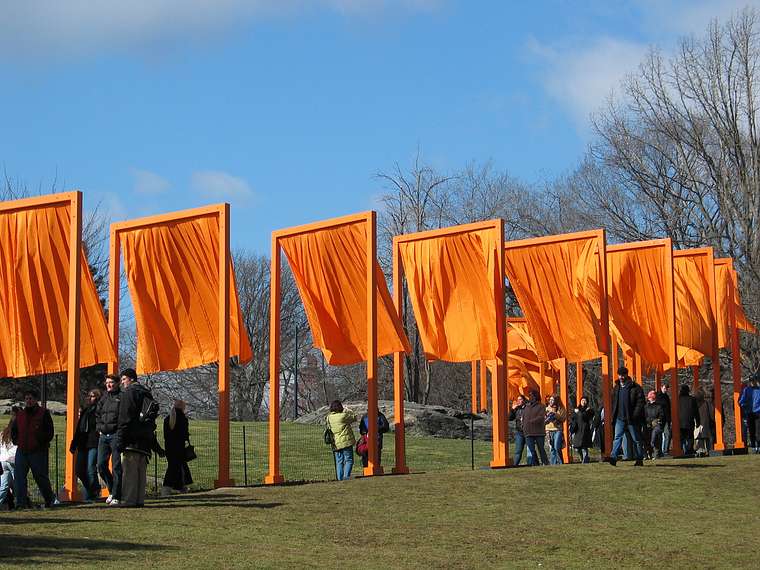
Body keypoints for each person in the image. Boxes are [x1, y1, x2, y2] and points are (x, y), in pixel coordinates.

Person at [116, 368, 158, 507]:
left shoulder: (129, 393)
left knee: (129, 472)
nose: (122, 383)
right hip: (144, 439)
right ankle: (139, 499)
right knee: (141, 472)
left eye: (123, 379)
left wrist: (120, 439)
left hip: (131, 439)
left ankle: (128, 500)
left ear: (131, 379)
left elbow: (124, 417)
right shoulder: (147, 393)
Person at [11, 389, 58, 508]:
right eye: (26, 398)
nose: (28, 401)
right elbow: (14, 430)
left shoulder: (43, 413)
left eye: (31, 398)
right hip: (22, 450)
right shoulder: (20, 414)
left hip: (38, 451)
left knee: (40, 476)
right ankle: (20, 503)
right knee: (19, 477)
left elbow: (50, 432)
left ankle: (49, 499)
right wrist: (17, 441)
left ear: (36, 400)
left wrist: (40, 442)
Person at [607, 367, 645, 467]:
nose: (621, 377)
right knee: (617, 438)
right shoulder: (616, 388)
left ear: (627, 375)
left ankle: (639, 458)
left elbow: (640, 403)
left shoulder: (635, 387)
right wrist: (614, 415)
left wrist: (635, 415)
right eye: (620, 375)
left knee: (636, 439)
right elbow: (614, 402)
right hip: (620, 418)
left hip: (631, 418)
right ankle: (613, 457)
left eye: (623, 375)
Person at [69, 389, 102, 502]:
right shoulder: (85, 411)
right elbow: (79, 429)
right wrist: (74, 444)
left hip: (93, 442)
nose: (89, 398)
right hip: (83, 443)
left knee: (91, 468)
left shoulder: (99, 410)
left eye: (92, 396)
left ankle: (93, 493)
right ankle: (91, 489)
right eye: (89, 396)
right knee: (79, 470)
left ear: (97, 397)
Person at [96, 374, 123, 506]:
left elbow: (124, 416)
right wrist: (99, 428)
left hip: (115, 435)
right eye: (107, 382)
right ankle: (112, 489)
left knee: (117, 466)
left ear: (117, 383)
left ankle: (117, 495)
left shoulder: (121, 397)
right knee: (101, 465)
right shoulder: (104, 397)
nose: (109, 385)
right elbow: (98, 414)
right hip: (103, 436)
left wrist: (119, 432)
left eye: (111, 382)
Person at [162, 400, 193, 495]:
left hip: (169, 448)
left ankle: (178, 487)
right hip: (179, 448)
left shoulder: (167, 419)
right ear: (182, 407)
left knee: (174, 467)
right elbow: (184, 434)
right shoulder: (183, 419)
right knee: (178, 467)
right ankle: (171, 488)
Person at [325, 400, 357, 481]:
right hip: (345, 442)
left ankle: (339, 478)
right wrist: (348, 409)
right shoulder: (344, 416)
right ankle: (346, 477)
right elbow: (354, 417)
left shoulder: (329, 417)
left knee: (339, 462)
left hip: (335, 443)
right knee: (349, 460)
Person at [522, 390, 549, 466]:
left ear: (536, 396)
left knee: (541, 449)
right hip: (528, 432)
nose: (530, 397)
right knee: (531, 449)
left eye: (532, 395)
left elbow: (541, 417)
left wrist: (532, 421)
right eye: (529, 395)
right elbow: (523, 417)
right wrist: (523, 425)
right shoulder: (526, 407)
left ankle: (545, 463)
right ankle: (535, 464)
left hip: (539, 432)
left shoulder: (542, 406)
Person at [0, 409, 18, 510]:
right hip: (13, 459)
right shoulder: (17, 432)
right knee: (18, 483)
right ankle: (20, 502)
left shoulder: (3, 433)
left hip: (3, 460)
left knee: (4, 485)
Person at [569, 396, 594, 463]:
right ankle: (583, 458)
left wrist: (578, 412)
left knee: (584, 447)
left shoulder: (589, 410)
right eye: (582, 400)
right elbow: (572, 418)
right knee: (577, 448)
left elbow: (584, 417)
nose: (583, 401)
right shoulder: (576, 409)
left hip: (585, 430)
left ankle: (585, 461)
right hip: (577, 430)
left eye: (585, 400)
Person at [678, 384, 700, 456]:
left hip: (680, 421)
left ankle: (680, 449)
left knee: (681, 437)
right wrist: (698, 421)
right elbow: (696, 411)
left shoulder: (677, 399)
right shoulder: (692, 399)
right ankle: (689, 450)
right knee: (690, 437)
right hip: (689, 420)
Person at [544, 395, 567, 465]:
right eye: (550, 400)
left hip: (558, 430)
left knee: (557, 447)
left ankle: (560, 462)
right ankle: (553, 464)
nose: (550, 401)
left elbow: (563, 418)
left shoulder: (561, 409)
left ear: (556, 401)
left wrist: (555, 414)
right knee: (552, 448)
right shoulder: (546, 408)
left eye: (552, 400)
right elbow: (544, 420)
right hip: (549, 430)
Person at [509, 395, 530, 466]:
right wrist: (512, 409)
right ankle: (515, 465)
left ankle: (533, 463)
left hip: (528, 432)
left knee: (530, 449)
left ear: (524, 400)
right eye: (518, 400)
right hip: (519, 432)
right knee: (518, 450)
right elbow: (509, 418)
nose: (518, 401)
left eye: (520, 399)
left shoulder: (528, 408)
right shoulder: (516, 409)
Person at [643, 390, 665, 459]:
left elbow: (661, 416)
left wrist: (657, 420)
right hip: (649, 425)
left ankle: (655, 453)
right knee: (650, 438)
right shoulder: (646, 406)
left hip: (655, 425)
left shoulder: (657, 406)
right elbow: (644, 416)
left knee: (654, 437)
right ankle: (651, 453)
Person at [693, 387, 713, 457]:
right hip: (705, 424)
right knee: (707, 440)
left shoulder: (694, 404)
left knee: (699, 440)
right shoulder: (707, 404)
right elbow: (711, 414)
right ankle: (708, 452)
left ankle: (700, 452)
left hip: (697, 425)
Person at [655, 383, 672, 456]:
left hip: (666, 418)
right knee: (660, 435)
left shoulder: (666, 397)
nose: (666, 390)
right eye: (665, 388)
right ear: (661, 387)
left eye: (667, 388)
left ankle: (665, 451)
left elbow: (668, 408)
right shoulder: (658, 396)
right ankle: (660, 451)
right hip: (660, 418)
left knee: (667, 434)